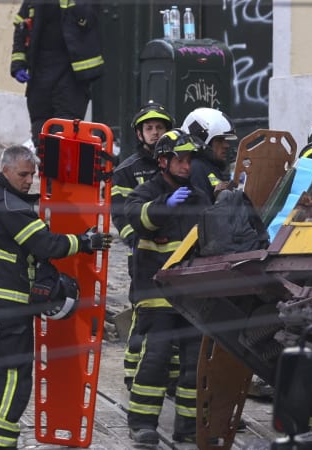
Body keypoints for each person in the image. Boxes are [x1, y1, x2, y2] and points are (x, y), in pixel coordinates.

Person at [0, 145, 111, 450]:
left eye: (33, 174)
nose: (29, 180)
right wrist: (85, 242)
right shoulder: (9, 205)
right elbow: (46, 244)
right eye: (23, 174)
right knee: (15, 380)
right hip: (7, 306)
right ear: (5, 169)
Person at [124, 129, 210, 445]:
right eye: (181, 159)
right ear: (163, 161)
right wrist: (165, 205)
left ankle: (187, 426)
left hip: (191, 298)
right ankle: (142, 424)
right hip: (156, 296)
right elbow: (135, 219)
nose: (187, 166)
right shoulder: (145, 193)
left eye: (190, 160)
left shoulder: (200, 197)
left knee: (193, 364)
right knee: (155, 358)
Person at [111, 101, 174, 390]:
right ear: (139, 134)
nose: (154, 132)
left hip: (174, 252)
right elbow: (119, 211)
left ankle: (171, 374)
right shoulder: (127, 170)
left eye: (159, 127)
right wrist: (135, 241)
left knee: (175, 312)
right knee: (143, 313)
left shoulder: (178, 165)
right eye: (148, 128)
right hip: (144, 254)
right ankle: (131, 371)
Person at [10, 0, 104, 147]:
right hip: (40, 75)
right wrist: (18, 64)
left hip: (72, 76)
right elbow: (21, 28)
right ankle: (45, 167)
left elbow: (87, 20)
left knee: (64, 135)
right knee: (40, 134)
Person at [181, 107, 238, 202]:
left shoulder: (208, 167)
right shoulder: (197, 168)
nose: (226, 145)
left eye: (225, 140)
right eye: (220, 140)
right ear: (202, 140)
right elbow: (201, 211)